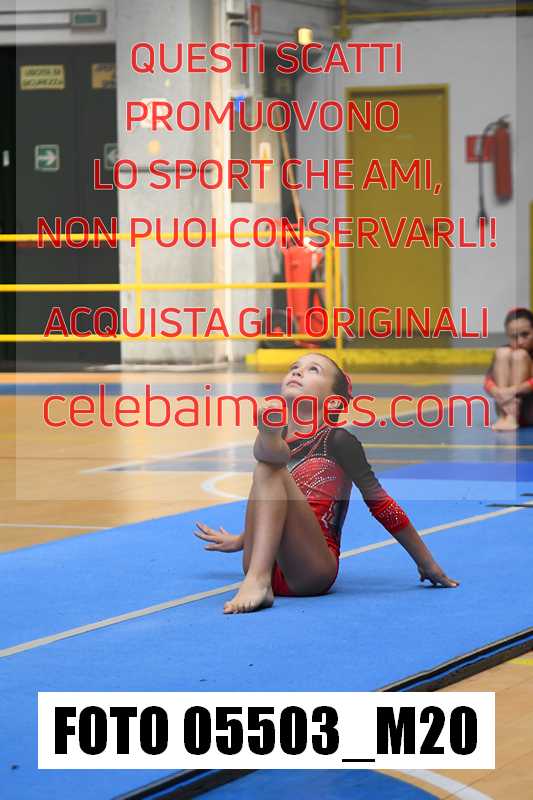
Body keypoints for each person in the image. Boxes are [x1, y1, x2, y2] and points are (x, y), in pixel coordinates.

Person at [194, 353, 459, 614]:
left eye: (314, 370)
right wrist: (242, 540)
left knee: (269, 465)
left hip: (311, 569)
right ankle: (259, 576)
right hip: (263, 560)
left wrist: (426, 562)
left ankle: (257, 581)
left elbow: (381, 504)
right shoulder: (280, 441)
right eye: (294, 366)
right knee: (267, 464)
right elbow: (272, 504)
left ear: (333, 402)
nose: (298, 371)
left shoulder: (339, 442)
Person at [484, 307, 533, 431]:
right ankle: (505, 416)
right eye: (514, 336)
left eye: (525, 334)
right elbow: (488, 382)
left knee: (520, 356)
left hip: (529, 409)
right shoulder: (506, 351)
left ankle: (512, 417)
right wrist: (498, 392)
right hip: (506, 405)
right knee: (502, 352)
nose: (520, 341)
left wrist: (511, 391)